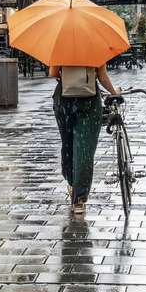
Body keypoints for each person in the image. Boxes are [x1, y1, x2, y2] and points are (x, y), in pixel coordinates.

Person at [50, 63, 120, 214]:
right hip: (89, 100)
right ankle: (79, 199)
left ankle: (71, 181)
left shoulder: (60, 44)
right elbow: (102, 76)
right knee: (85, 149)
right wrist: (114, 93)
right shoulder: (94, 46)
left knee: (68, 145)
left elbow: (53, 73)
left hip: (64, 100)